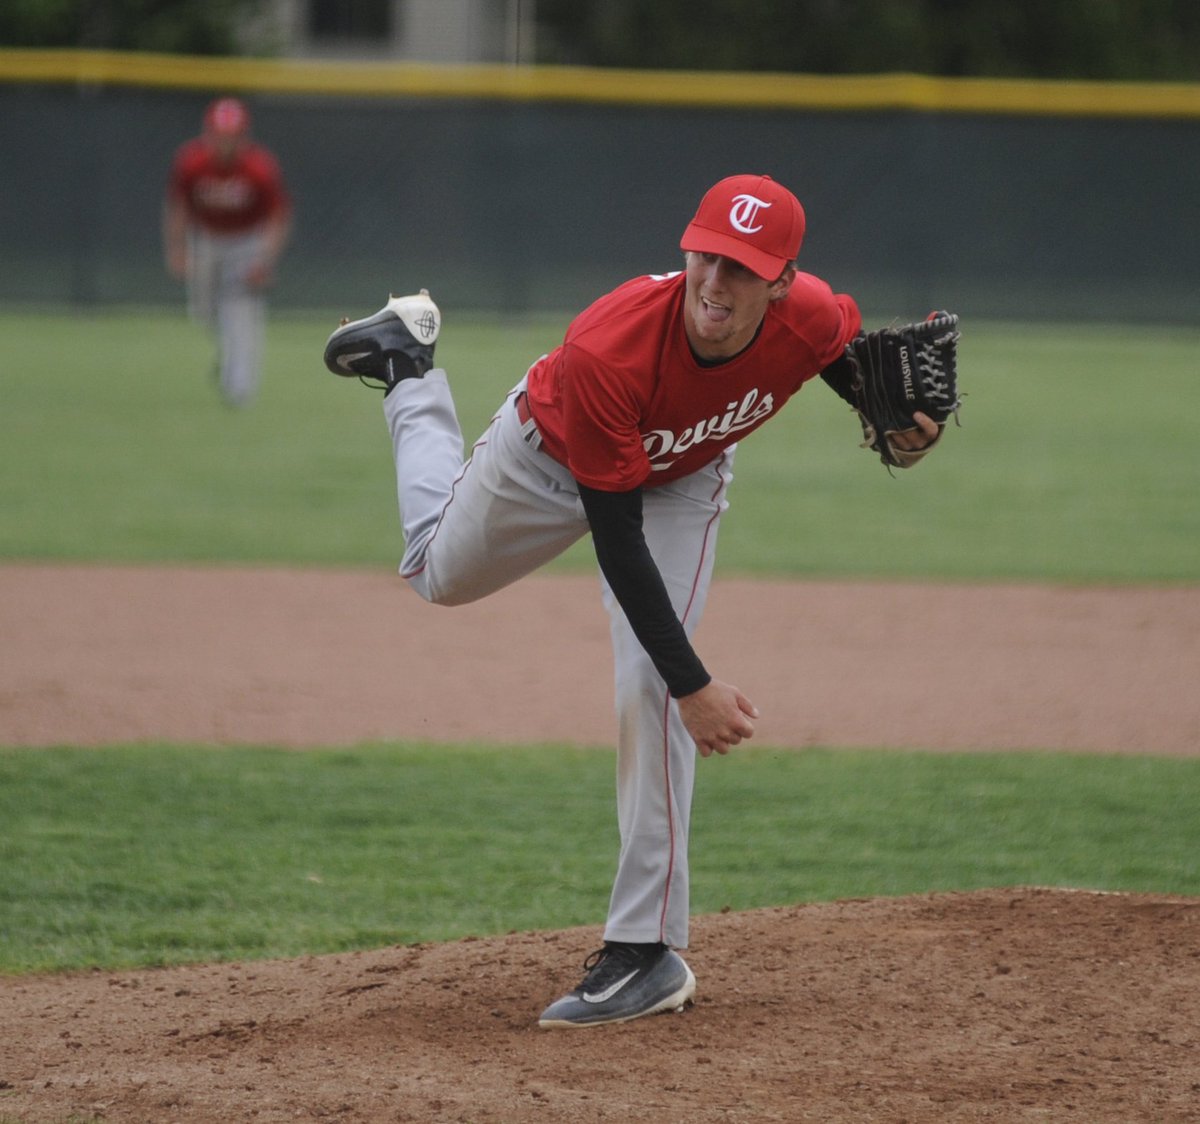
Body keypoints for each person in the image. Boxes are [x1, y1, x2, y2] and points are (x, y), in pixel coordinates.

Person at [322, 174, 943, 1028]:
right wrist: (696, 684)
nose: (716, 283)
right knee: (436, 574)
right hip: (550, 454)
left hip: (682, 477)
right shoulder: (608, 348)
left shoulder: (813, 314)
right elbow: (615, 539)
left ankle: (644, 952)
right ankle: (407, 367)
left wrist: (891, 423)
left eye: (744, 268)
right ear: (688, 248)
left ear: (781, 279)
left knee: (644, 686)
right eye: (709, 256)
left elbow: (837, 354)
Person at [163, 96, 292, 407]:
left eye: (232, 135)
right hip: (206, 240)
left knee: (241, 309)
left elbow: (278, 217)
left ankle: (239, 388)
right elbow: (178, 208)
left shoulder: (259, 168)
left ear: (243, 136)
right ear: (208, 133)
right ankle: (230, 348)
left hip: (247, 242)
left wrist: (265, 259)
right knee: (204, 311)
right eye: (220, 134)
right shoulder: (191, 161)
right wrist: (177, 249)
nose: (225, 141)